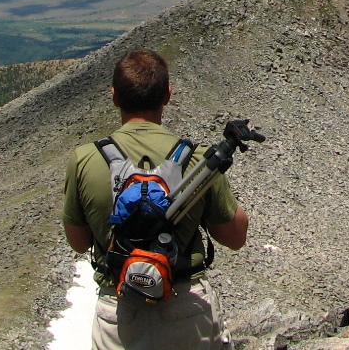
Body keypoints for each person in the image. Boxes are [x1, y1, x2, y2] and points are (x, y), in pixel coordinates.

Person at [62, 48, 249, 349]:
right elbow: (235, 237)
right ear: (167, 95)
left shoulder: (85, 159)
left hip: (118, 313)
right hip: (186, 307)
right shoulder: (200, 161)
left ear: (114, 97)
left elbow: (79, 242)